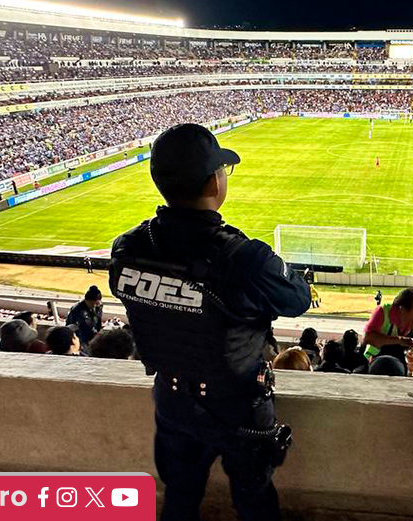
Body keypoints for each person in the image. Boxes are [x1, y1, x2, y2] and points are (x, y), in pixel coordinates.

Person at [108, 123, 309, 521]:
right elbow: (297, 299)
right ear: (214, 183)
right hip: (238, 405)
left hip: (172, 398)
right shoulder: (244, 258)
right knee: (253, 501)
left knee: (180, 498)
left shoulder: (129, 247)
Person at [362, 288, 413, 364]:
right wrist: (399, 340)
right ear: (402, 309)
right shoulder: (383, 312)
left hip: (410, 364)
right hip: (377, 360)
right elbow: (367, 338)